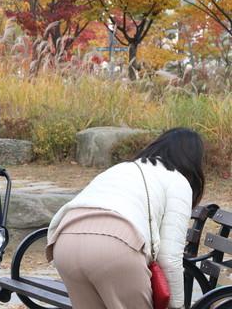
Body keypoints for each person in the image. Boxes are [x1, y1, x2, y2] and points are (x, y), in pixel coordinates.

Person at [46, 128, 205, 309]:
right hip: (114, 247)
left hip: (65, 242)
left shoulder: (122, 168)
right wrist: (178, 306)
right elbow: (169, 258)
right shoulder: (177, 181)